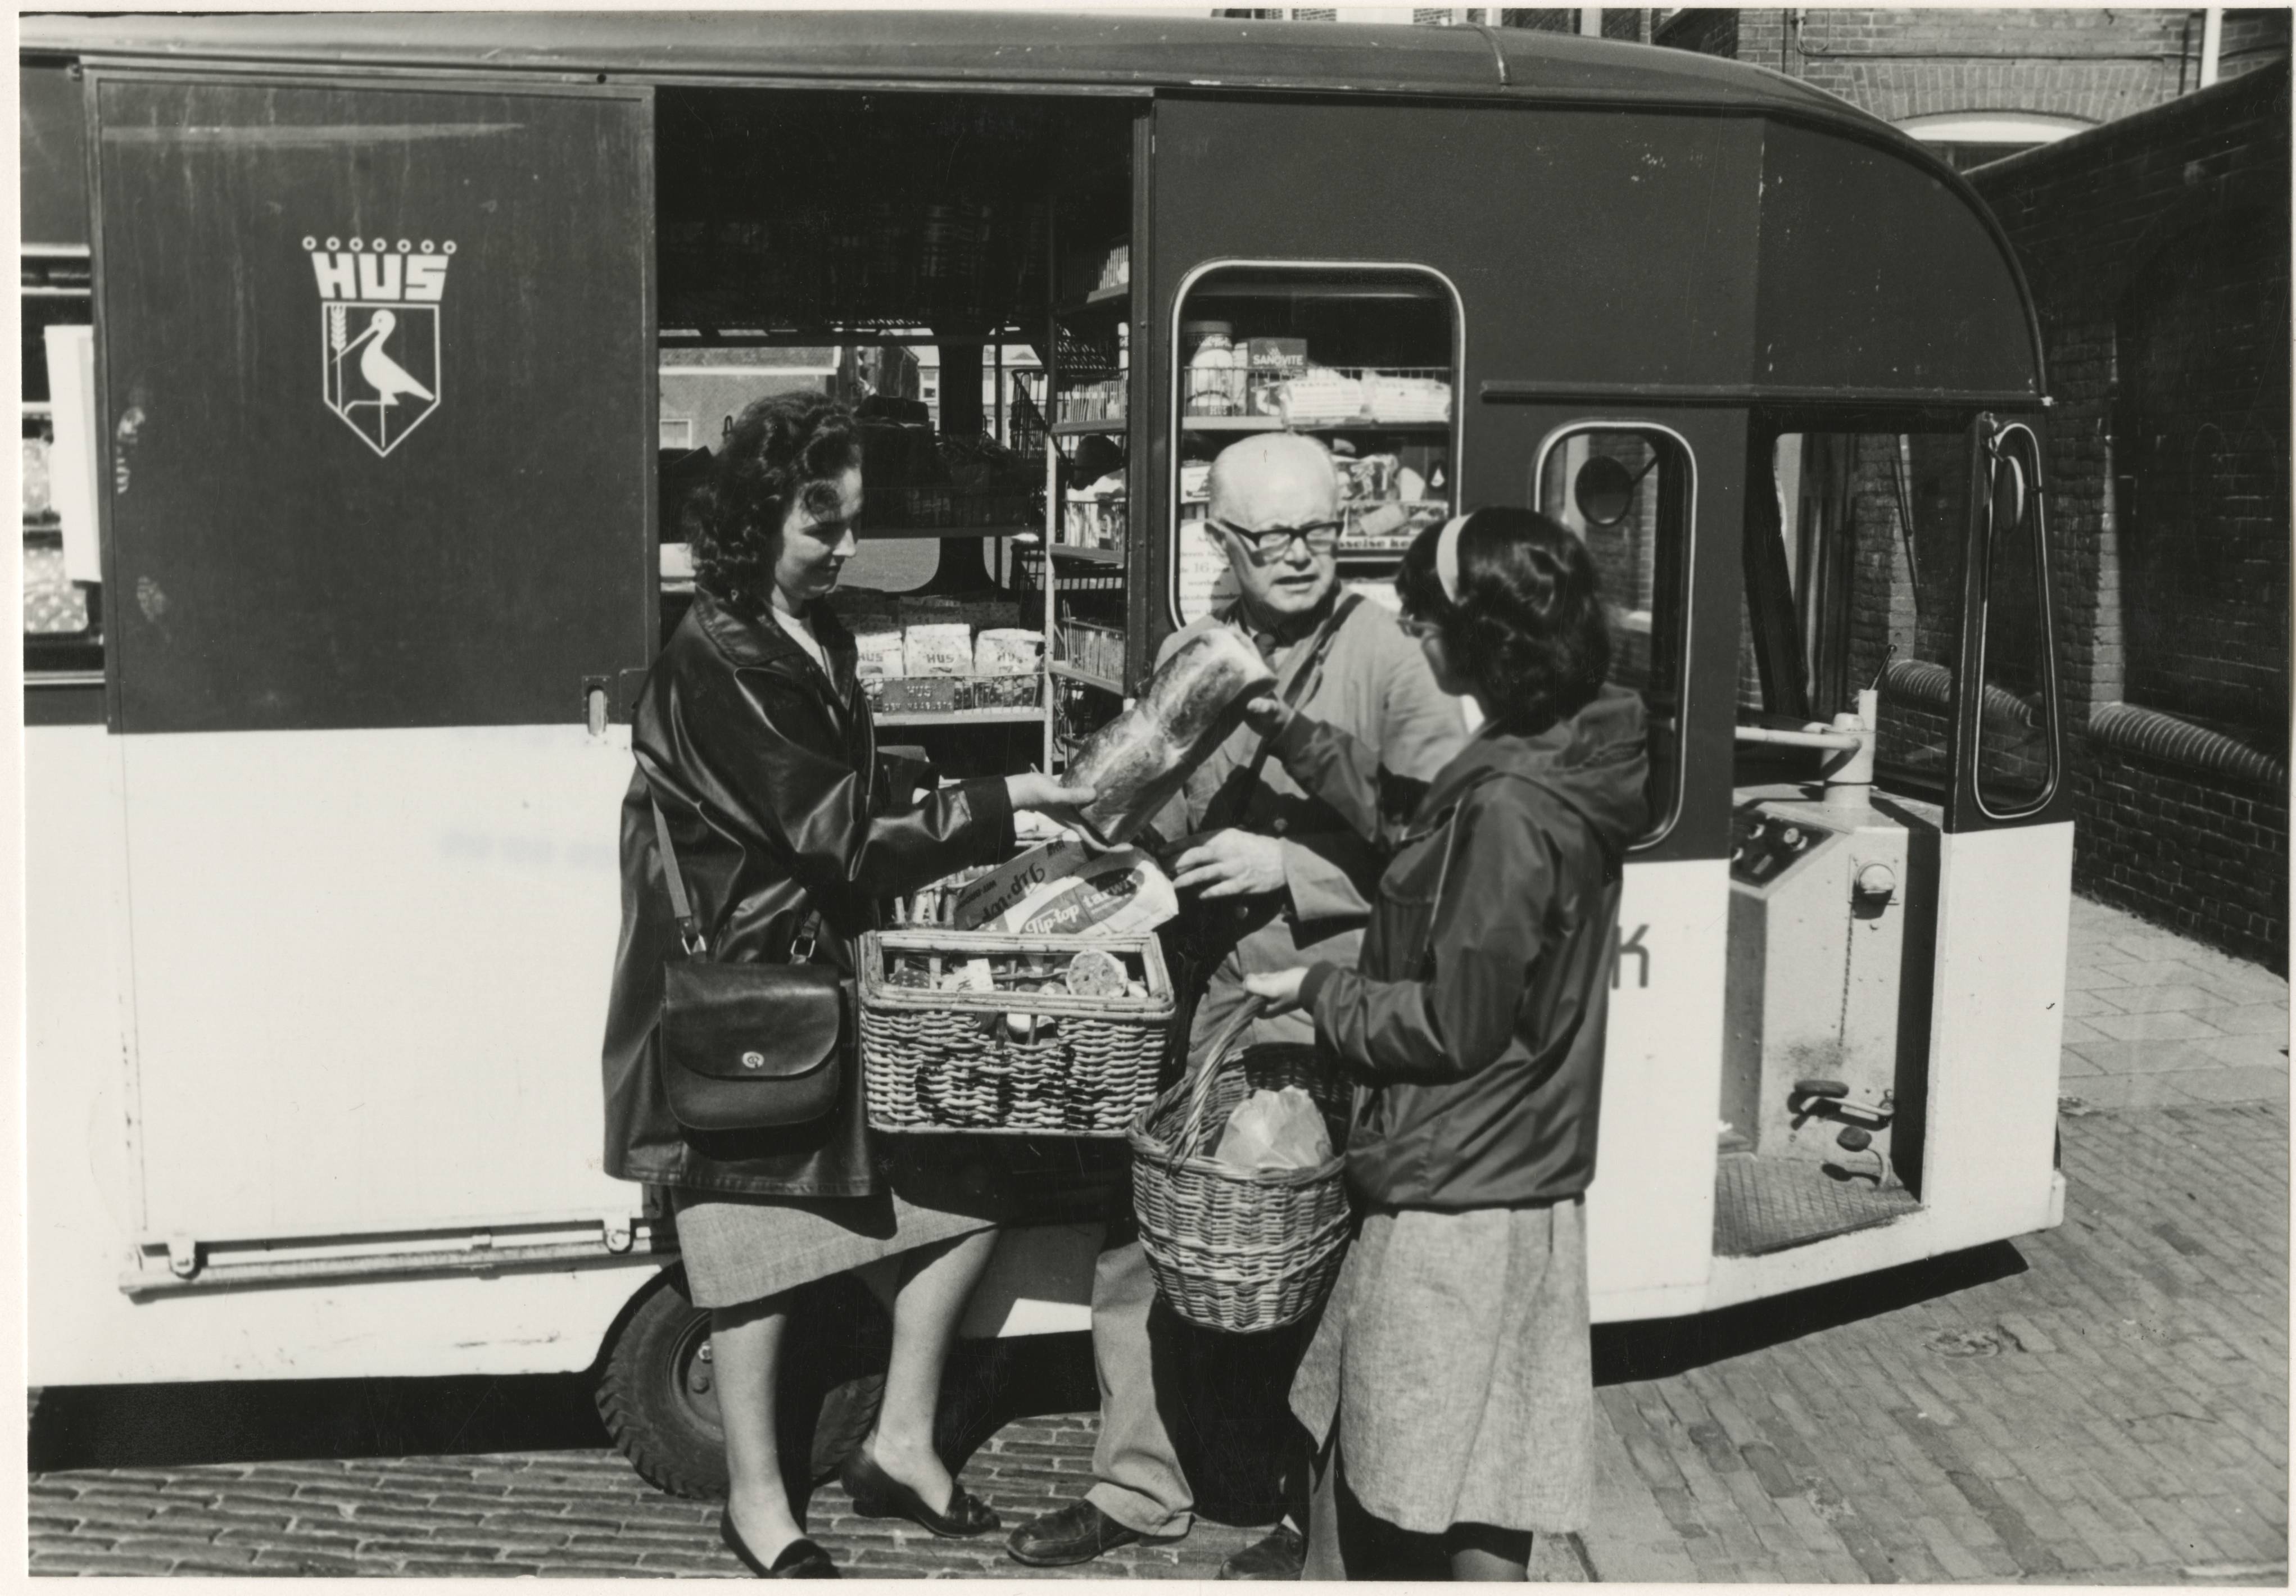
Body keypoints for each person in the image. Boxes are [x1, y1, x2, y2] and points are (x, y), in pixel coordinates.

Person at [600, 392, 1092, 1579]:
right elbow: (839, 835)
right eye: (822, 523)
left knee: (965, 1194)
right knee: (755, 1250)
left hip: (808, 983)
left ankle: (903, 1441)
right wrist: (1005, 802)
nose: (845, 548)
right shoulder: (721, 656)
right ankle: (760, 1504)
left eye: (851, 522)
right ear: (760, 515)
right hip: (750, 1002)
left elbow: (838, 797)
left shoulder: (804, 632)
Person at [1004, 432, 1469, 1579]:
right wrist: (1075, 844)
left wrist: (1293, 870)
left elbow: (1451, 847)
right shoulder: (1193, 651)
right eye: (1271, 536)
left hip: (1331, 1000)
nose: (1302, 555)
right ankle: (1139, 1488)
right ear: (1221, 538)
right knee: (1145, 1238)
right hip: (1208, 994)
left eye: (1319, 530)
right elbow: (1161, 812)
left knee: (1308, 1264)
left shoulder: (1388, 662)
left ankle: (1297, 1510)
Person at [1238, 506, 1649, 1581]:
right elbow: (1415, 819)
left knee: (1385, 1485)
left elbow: (1454, 1023)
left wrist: (1319, 992)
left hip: (1453, 1184)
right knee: (1484, 1477)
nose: (1414, 638)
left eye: (1425, 618)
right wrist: (1288, 728)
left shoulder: (1513, 805)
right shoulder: (1556, 744)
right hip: (1515, 1171)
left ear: (1484, 633)